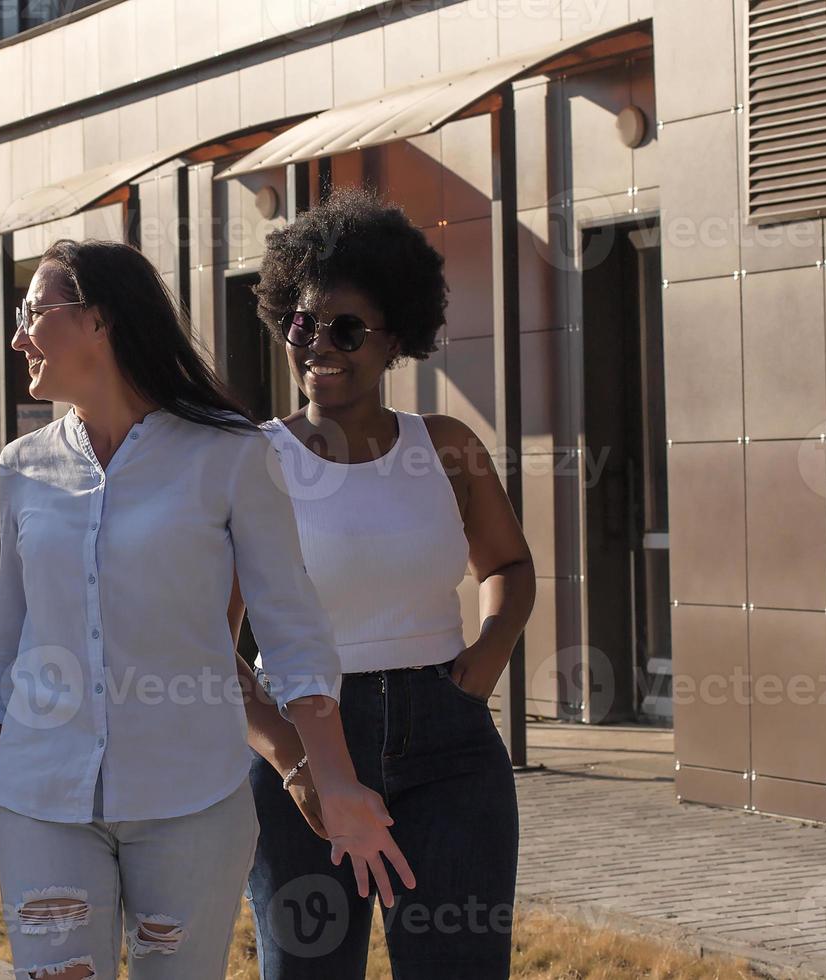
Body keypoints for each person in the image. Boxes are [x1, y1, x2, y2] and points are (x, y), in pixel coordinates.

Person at [0, 238, 414, 980]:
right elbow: (5, 654)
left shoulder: (228, 453)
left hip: (191, 801)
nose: (17, 336)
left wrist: (332, 778)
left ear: (98, 321)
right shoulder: (22, 467)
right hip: (40, 799)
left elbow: (293, 630)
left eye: (34, 314)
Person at [234, 187, 535, 978]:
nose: (319, 345)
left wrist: (490, 650)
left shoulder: (446, 446)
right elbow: (205, 639)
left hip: (450, 745)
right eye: (303, 324)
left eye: (347, 328)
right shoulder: (252, 461)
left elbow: (508, 565)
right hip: (304, 747)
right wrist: (293, 760)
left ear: (395, 336)